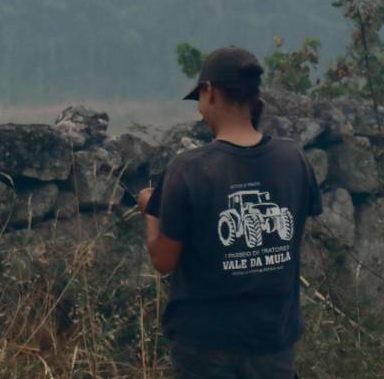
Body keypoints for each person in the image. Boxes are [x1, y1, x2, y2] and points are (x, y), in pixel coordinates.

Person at [136, 46, 323, 379]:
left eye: (199, 98)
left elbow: (163, 261)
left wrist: (151, 211)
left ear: (209, 92)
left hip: (205, 347)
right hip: (273, 343)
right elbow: (292, 236)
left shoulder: (188, 169)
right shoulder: (293, 158)